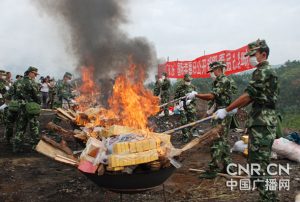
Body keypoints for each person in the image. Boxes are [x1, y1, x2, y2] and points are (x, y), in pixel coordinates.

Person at [214, 39, 279, 202]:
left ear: (263, 54)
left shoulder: (262, 71)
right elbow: (254, 96)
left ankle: (270, 199)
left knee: (258, 167)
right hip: (264, 122)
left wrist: (227, 110)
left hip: (262, 123)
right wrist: (236, 108)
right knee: (260, 164)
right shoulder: (267, 71)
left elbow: (249, 94)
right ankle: (268, 197)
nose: (251, 58)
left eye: (253, 55)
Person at [187, 61, 238, 178]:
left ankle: (213, 169)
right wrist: (210, 110)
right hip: (221, 111)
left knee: (217, 139)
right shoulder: (221, 80)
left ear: (218, 69)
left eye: (212, 71)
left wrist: (196, 95)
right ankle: (228, 167)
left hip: (223, 113)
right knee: (223, 140)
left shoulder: (223, 80)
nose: (211, 74)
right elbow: (217, 98)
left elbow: (212, 96)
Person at [13, 66, 41, 152]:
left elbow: (14, 94)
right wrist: (38, 105)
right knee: (34, 127)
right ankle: (35, 145)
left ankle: (16, 147)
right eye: (35, 74)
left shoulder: (17, 82)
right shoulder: (32, 83)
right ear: (30, 73)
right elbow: (37, 97)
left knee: (20, 127)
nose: (35, 76)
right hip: (30, 108)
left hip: (20, 107)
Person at [174, 73, 197, 142]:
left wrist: (190, 101)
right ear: (184, 80)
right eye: (187, 81)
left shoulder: (193, 87)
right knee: (183, 122)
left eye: (189, 81)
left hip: (191, 107)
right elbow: (176, 98)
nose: (188, 82)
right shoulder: (180, 88)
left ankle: (191, 133)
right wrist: (177, 105)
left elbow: (196, 97)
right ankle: (185, 136)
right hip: (182, 107)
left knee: (192, 121)